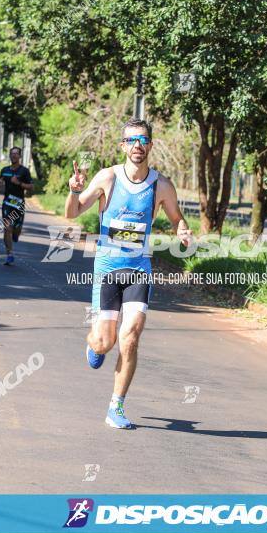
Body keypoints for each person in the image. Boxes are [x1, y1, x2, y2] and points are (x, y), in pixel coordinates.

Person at [65, 118, 192, 429]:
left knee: (131, 338)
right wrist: (73, 191)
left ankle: (116, 407)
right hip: (108, 268)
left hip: (139, 269)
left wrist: (183, 231)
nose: (138, 145)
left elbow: (176, 218)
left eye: (143, 139)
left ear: (150, 145)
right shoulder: (108, 178)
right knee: (105, 343)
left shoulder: (162, 185)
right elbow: (72, 212)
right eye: (132, 140)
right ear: (123, 146)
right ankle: (94, 343)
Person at [0, 147, 34, 265]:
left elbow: (31, 187)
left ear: (20, 156)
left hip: (19, 204)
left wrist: (19, 183)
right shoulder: (4, 170)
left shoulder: (24, 171)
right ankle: (9, 253)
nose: (14, 156)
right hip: (7, 202)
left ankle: (15, 236)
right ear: (10, 155)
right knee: (7, 228)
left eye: (16, 154)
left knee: (16, 231)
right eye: (12, 154)